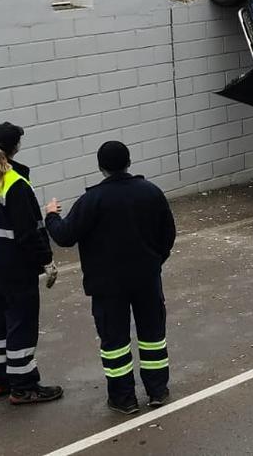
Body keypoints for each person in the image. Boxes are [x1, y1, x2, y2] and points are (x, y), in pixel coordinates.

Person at [44, 141, 177, 415]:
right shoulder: (151, 192)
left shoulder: (92, 200)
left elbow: (65, 236)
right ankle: (157, 390)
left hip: (107, 285)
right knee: (153, 335)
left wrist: (51, 217)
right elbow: (168, 234)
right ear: (129, 162)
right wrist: (155, 261)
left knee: (115, 343)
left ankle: (123, 398)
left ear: (100, 167)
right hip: (146, 279)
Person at [0, 122, 62, 405]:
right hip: (16, 267)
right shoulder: (16, 183)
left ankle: (1, 380)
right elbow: (28, 231)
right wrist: (46, 260)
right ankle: (24, 386)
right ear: (16, 146)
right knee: (21, 322)